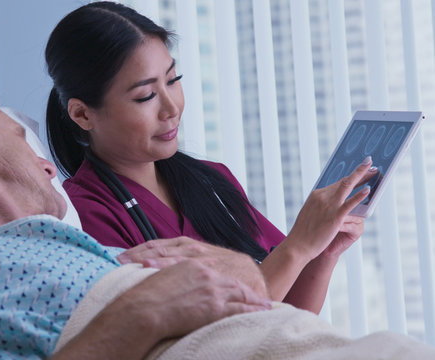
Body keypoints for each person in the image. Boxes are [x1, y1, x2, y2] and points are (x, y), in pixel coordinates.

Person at [0, 78, 422, 360]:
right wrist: (140, 314)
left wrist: (237, 268)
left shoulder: (77, 245)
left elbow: (247, 292)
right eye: (21, 137)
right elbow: (170, 307)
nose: (46, 162)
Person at [44, 1, 374, 313]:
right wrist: (298, 247)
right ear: (82, 114)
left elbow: (289, 316)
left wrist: (322, 254)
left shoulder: (211, 179)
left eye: (173, 80)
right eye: (145, 96)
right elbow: (212, 333)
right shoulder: (84, 215)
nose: (172, 108)